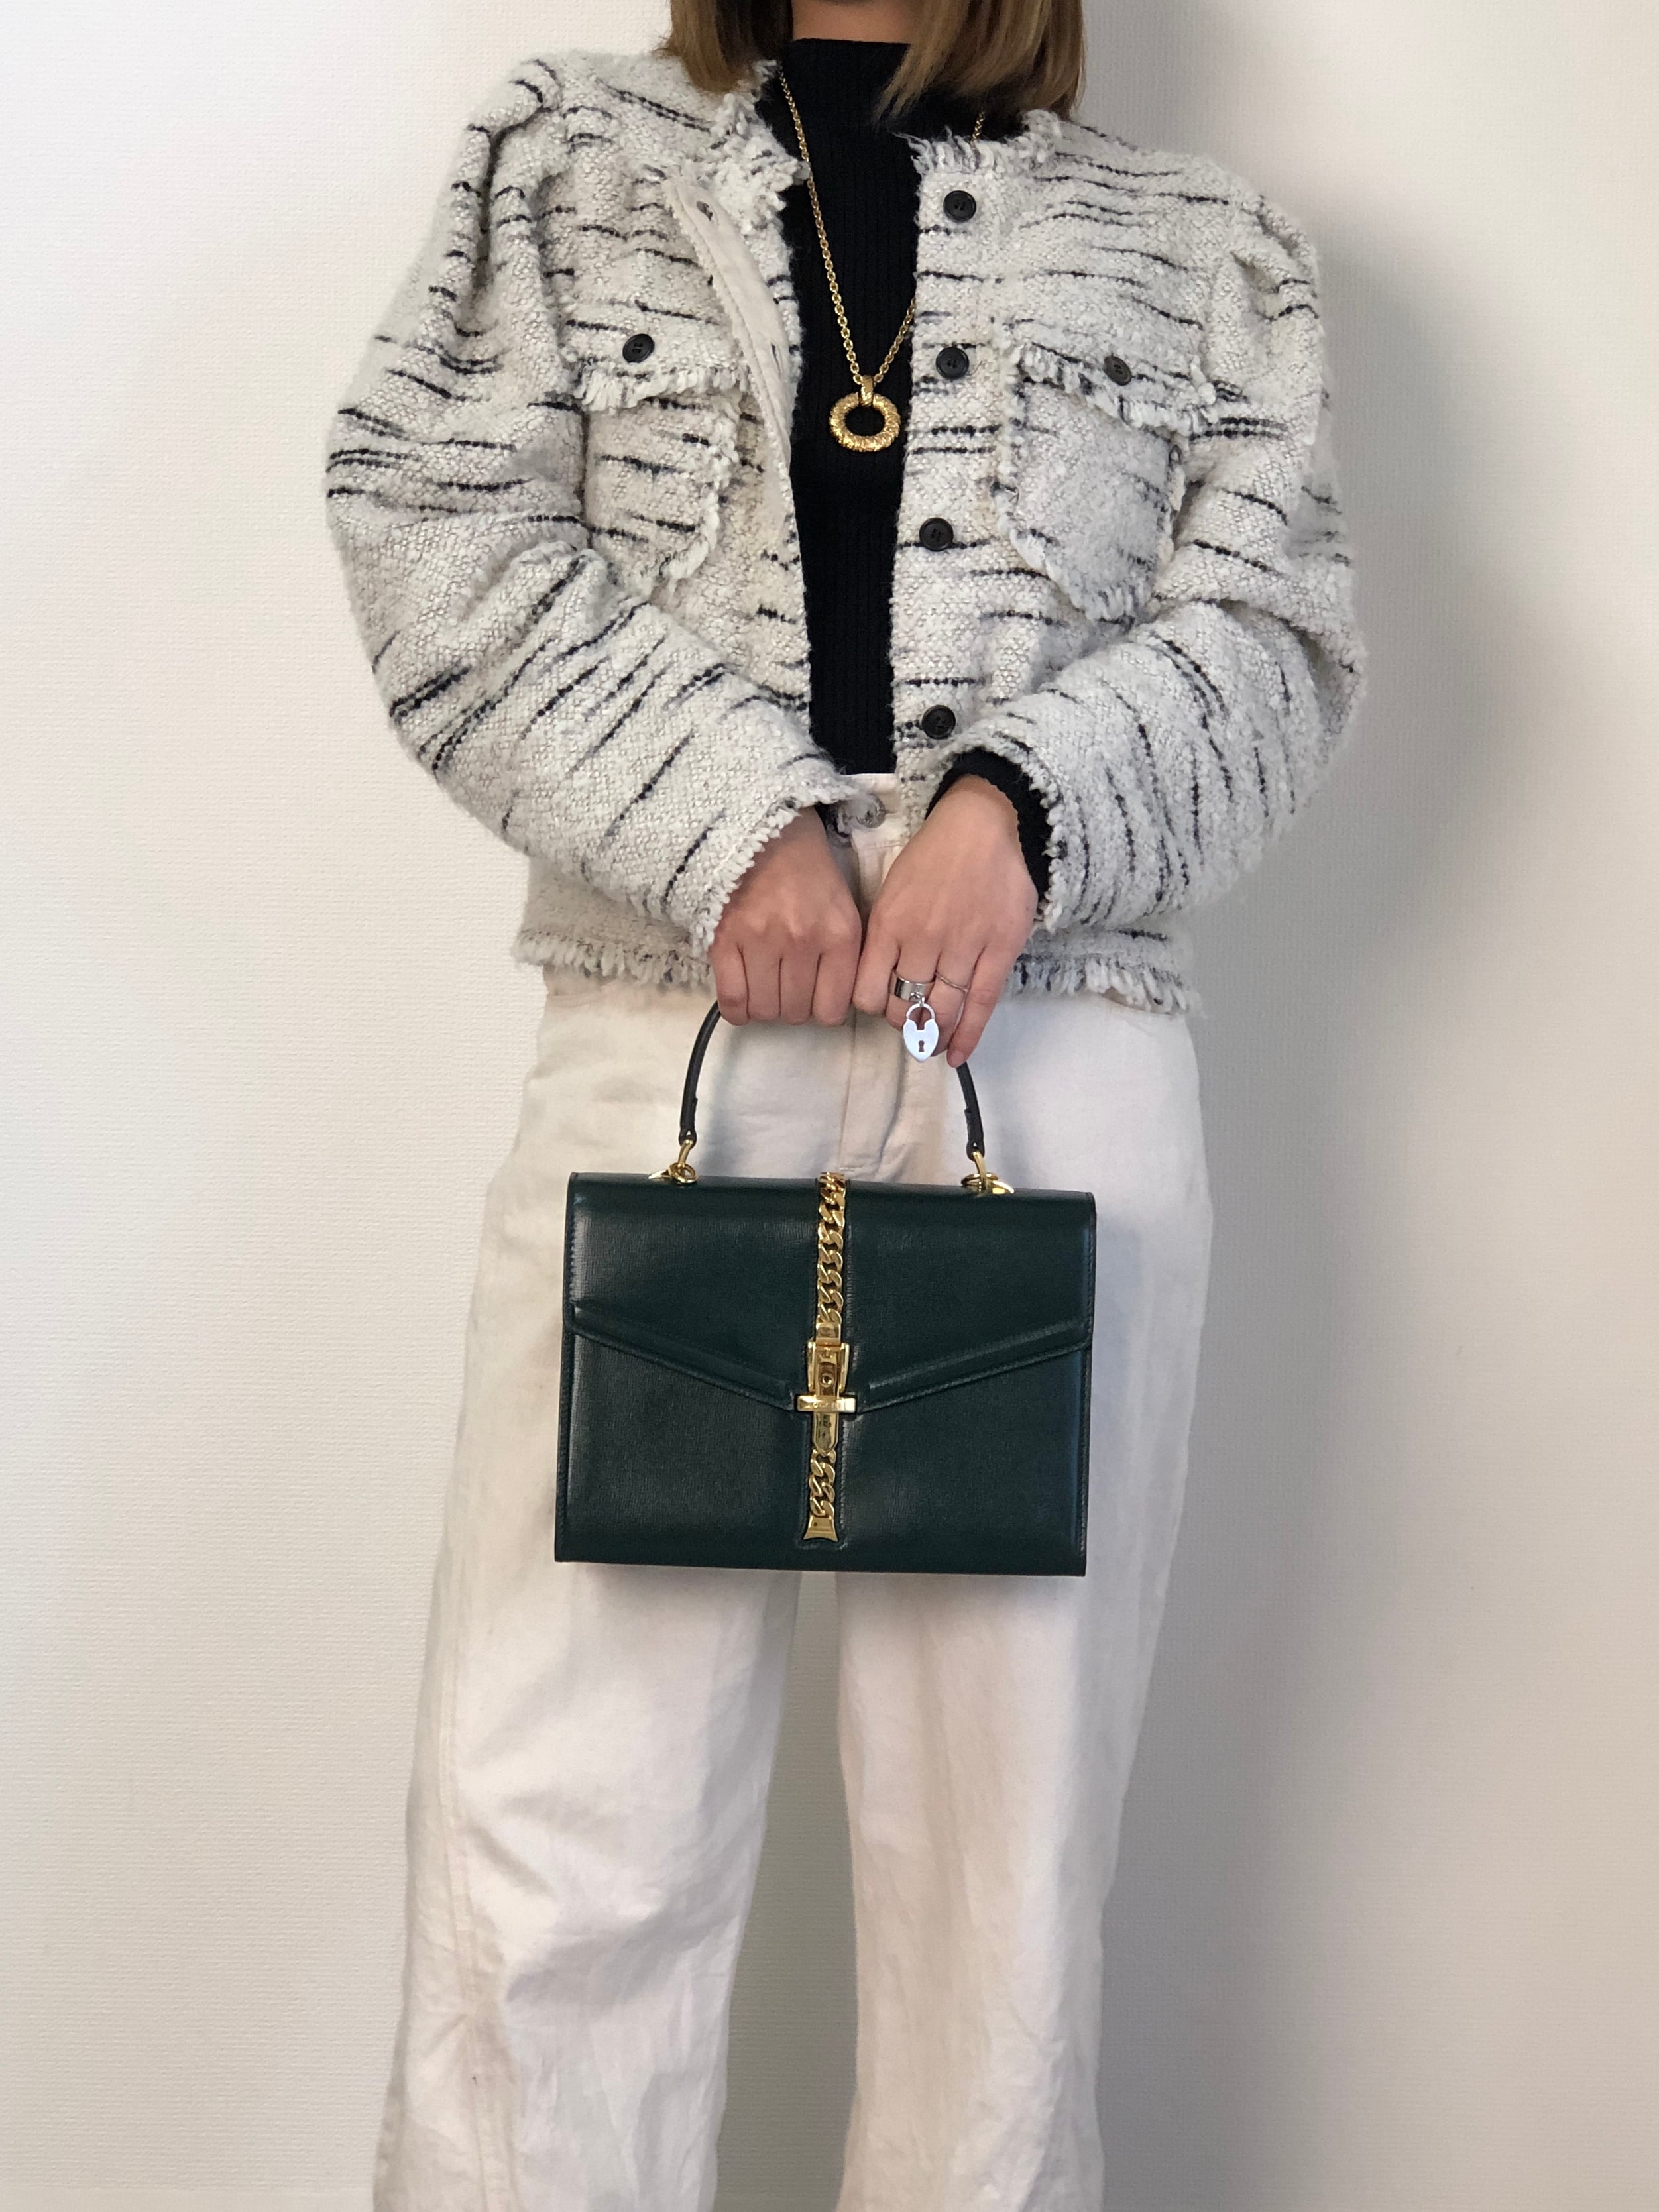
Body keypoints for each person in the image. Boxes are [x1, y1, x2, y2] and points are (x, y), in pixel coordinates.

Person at [322, 0, 1365, 2201]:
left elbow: (1279, 635)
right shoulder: (563, 162)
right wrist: (733, 825)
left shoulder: (1209, 246)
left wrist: (1024, 807)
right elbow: (432, 513)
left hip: (1046, 1066)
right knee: (554, 1829)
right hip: (671, 1038)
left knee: (1004, 1877)